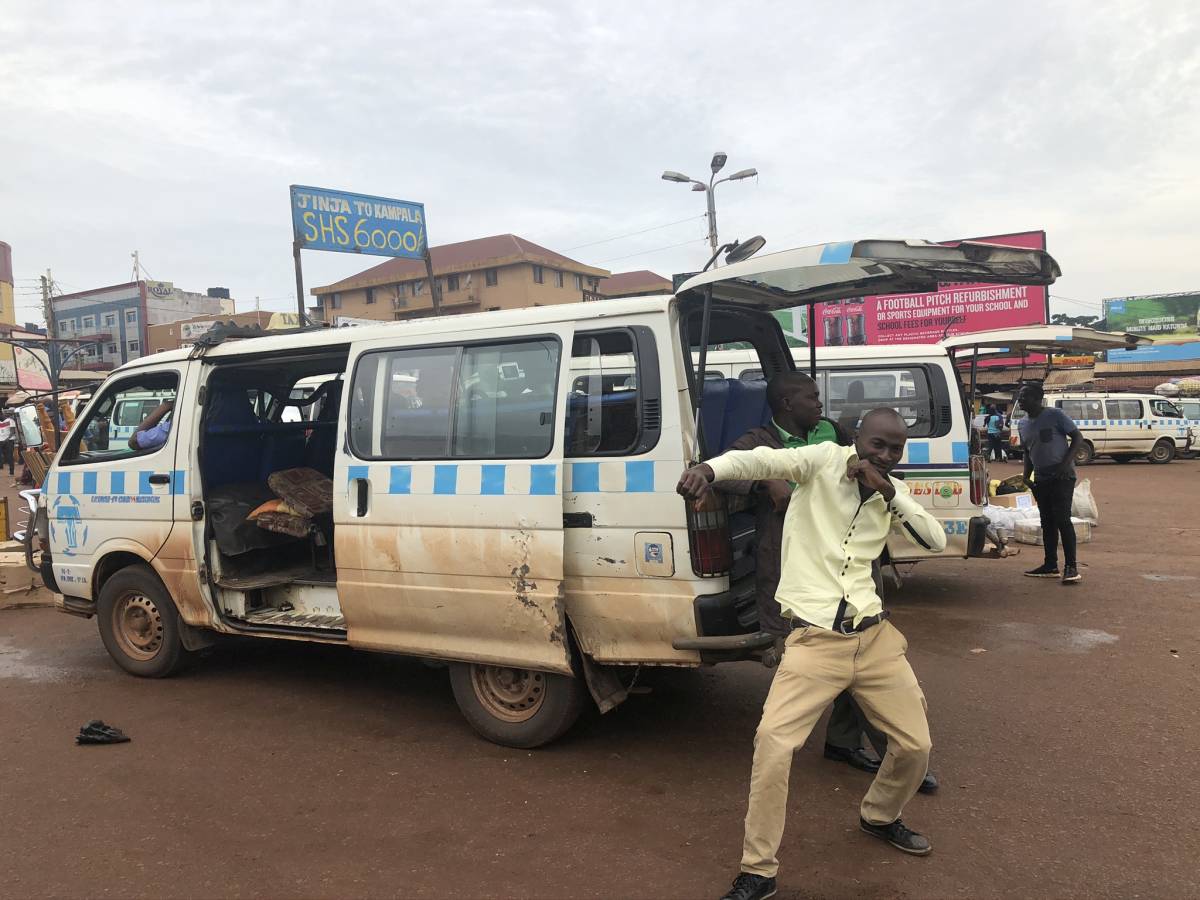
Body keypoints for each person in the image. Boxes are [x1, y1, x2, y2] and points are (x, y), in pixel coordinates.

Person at [678, 408, 946, 900]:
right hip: (814, 642)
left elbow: (936, 539)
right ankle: (758, 871)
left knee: (915, 747)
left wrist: (890, 493)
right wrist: (710, 470)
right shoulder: (821, 461)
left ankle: (880, 816)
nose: (884, 455)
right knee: (774, 747)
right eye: (877, 445)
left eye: (894, 449)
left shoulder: (892, 491)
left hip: (874, 640)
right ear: (857, 439)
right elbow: (760, 460)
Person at [715, 373, 937, 794]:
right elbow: (732, 469)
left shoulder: (832, 434)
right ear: (785, 403)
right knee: (805, 660)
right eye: (810, 397)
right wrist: (767, 479)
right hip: (789, 563)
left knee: (862, 662)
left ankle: (866, 747)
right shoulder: (761, 438)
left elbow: (863, 459)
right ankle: (787, 748)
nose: (819, 403)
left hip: (851, 568)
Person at [1017, 384, 1082, 584]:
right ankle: (1050, 565)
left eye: (1024, 397)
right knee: (1047, 523)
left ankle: (1071, 567)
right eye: (1020, 397)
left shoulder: (1055, 415)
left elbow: (1078, 438)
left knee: (1062, 519)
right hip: (1041, 478)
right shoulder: (1022, 424)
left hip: (1062, 477)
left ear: (1038, 399)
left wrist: (1064, 465)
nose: (1020, 400)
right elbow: (1027, 452)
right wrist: (1026, 476)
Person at [0, 408, 16, 477]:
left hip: (9, 441)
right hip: (1, 441)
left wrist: (7, 439)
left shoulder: (11, 421)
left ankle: (11, 472)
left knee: (9, 457)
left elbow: (12, 432)